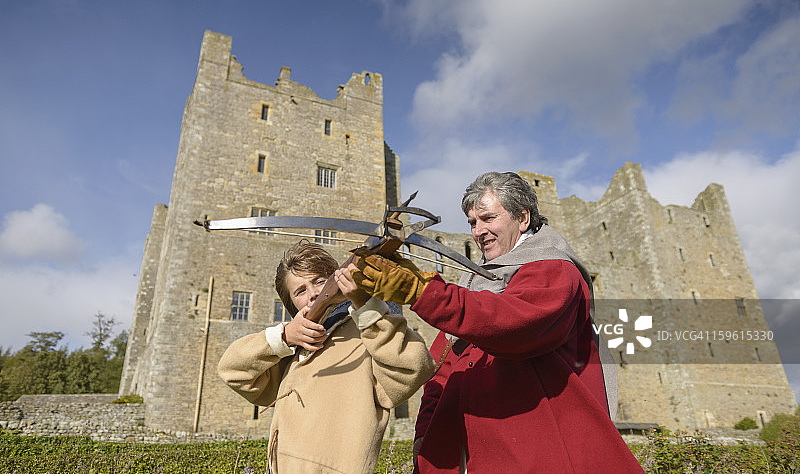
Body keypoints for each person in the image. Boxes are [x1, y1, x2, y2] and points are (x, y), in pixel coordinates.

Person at [349, 172, 644, 473]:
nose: (479, 232)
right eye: (472, 223)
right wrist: (426, 434)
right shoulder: (474, 286)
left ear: (523, 218)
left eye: (488, 219)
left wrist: (422, 292)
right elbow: (441, 370)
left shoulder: (555, 271)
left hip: (537, 455)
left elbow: (510, 322)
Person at [218, 240, 435, 473]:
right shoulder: (291, 350)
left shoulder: (366, 332)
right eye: (300, 291)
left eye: (320, 281)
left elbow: (413, 367)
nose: (313, 294)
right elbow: (232, 370)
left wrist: (365, 307)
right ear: (292, 305)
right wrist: (284, 336)